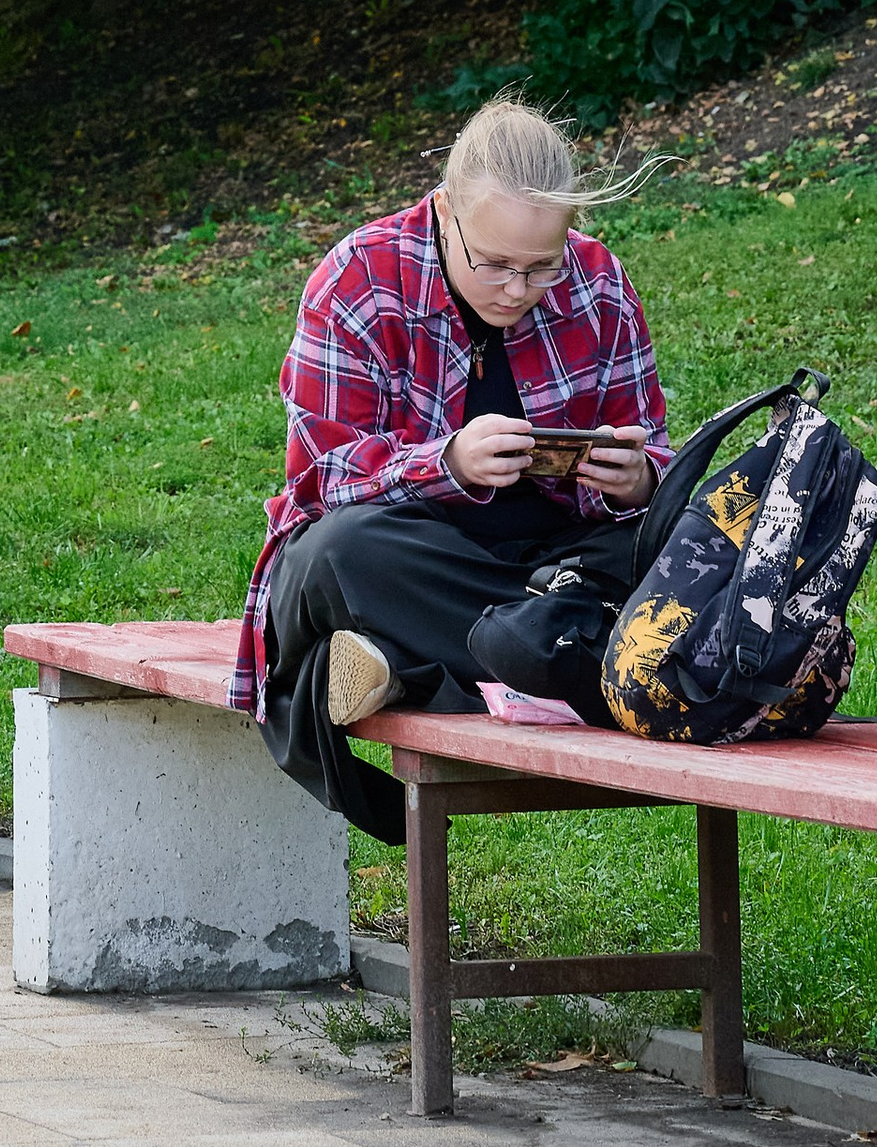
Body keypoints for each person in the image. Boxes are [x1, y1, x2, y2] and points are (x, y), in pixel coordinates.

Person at [233, 98, 671, 845]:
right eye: (494, 263)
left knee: (693, 536)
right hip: (407, 554)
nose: (516, 288)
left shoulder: (598, 283)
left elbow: (653, 448)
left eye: (540, 266)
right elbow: (323, 478)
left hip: (550, 563)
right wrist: (448, 463)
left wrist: (638, 483)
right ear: (444, 211)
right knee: (340, 556)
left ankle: (421, 661)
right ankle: (587, 659)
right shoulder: (358, 280)